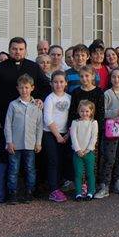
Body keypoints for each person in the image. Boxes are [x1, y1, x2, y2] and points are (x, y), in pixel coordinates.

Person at [0, 37, 50, 140]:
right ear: (9, 50)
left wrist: (41, 99)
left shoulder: (33, 67)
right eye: (14, 49)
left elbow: (46, 87)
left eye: (21, 49)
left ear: (25, 51)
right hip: (4, 118)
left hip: (30, 118)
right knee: (6, 151)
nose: (17, 52)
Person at [4, 74, 44, 204]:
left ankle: (29, 192)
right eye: (21, 88)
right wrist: (9, 141)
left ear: (32, 88)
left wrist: (38, 143)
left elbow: (39, 125)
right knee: (13, 169)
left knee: (30, 169)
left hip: (31, 144)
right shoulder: (13, 105)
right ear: (17, 88)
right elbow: (8, 124)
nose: (24, 90)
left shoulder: (36, 105)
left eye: (27, 87)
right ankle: (13, 193)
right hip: (15, 144)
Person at [97, 68, 119, 198]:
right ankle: (104, 185)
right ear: (110, 79)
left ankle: (118, 182)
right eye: (114, 77)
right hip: (112, 127)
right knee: (109, 157)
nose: (116, 80)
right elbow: (103, 112)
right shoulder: (107, 94)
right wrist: (115, 112)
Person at [42, 70, 72, 203]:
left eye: (61, 82)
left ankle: (61, 185)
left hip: (65, 133)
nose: (58, 84)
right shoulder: (50, 98)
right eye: (55, 82)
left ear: (66, 83)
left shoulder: (69, 98)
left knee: (63, 160)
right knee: (53, 161)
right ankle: (53, 190)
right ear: (51, 83)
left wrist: (67, 134)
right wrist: (58, 136)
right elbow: (48, 119)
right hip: (51, 134)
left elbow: (72, 117)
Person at [69, 100, 98, 201]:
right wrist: (78, 150)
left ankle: (91, 191)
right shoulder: (75, 122)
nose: (84, 113)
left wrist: (88, 149)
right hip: (78, 153)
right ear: (78, 111)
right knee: (78, 173)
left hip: (89, 153)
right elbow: (73, 137)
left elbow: (94, 137)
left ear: (91, 111)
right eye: (82, 111)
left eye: (87, 111)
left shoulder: (93, 122)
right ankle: (78, 193)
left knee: (90, 173)